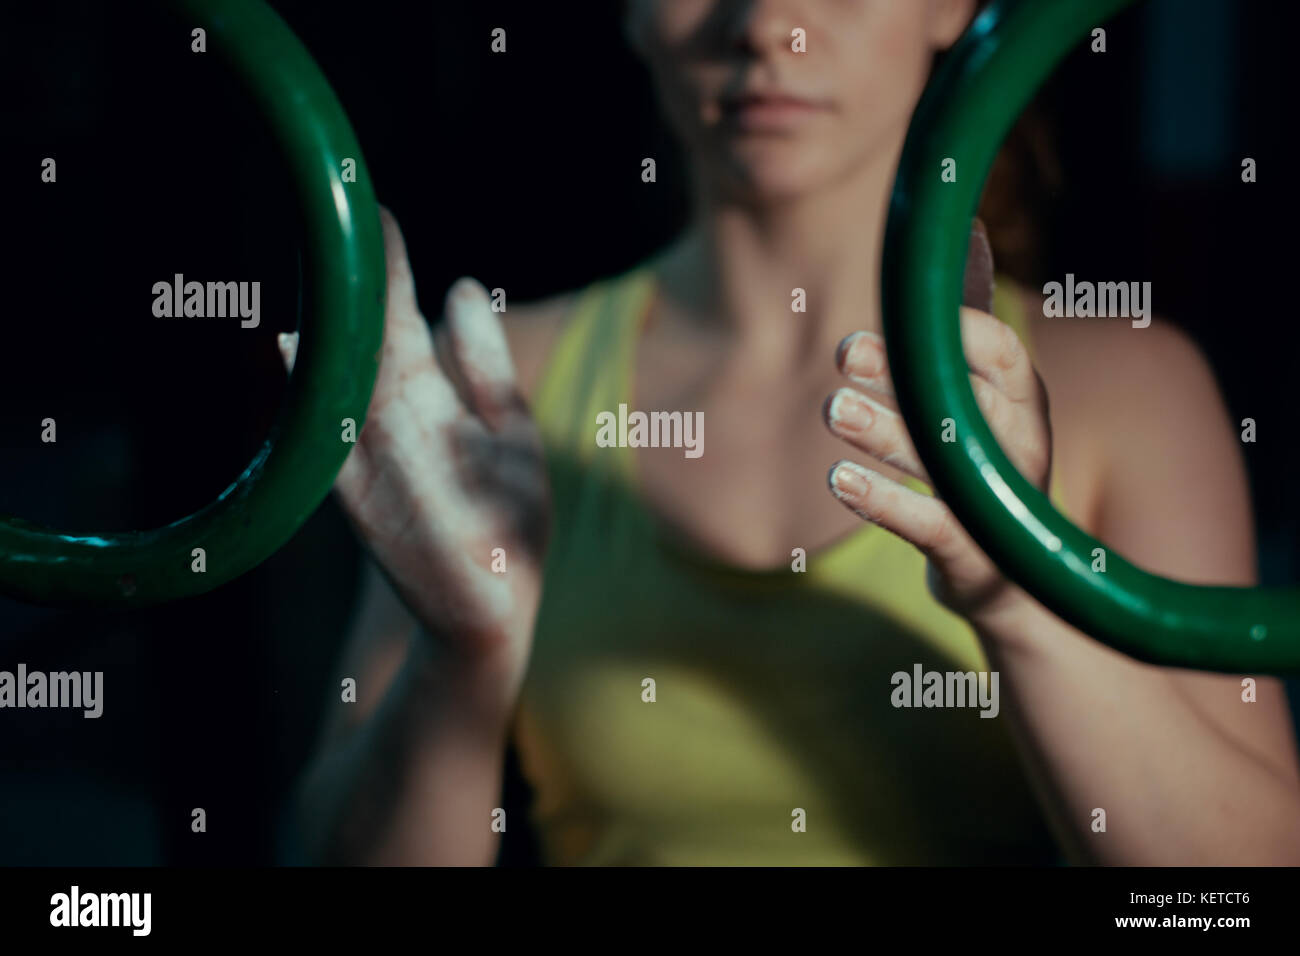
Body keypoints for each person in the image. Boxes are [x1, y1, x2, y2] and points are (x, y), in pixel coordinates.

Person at [288, 0, 1300, 865]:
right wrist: (459, 660)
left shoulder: (1129, 386)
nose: (766, 25)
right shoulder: (496, 380)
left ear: (952, 7)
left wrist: (1013, 588)